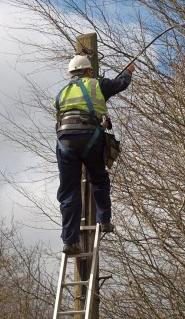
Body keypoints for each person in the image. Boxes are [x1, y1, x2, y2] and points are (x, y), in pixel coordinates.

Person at [54, 55, 135, 254]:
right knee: (99, 180)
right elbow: (120, 84)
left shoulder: (62, 93)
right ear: (89, 71)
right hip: (89, 138)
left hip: (65, 141)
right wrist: (128, 72)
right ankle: (104, 220)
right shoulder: (97, 84)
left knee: (68, 191)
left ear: (71, 74)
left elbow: (65, 118)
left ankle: (70, 241)